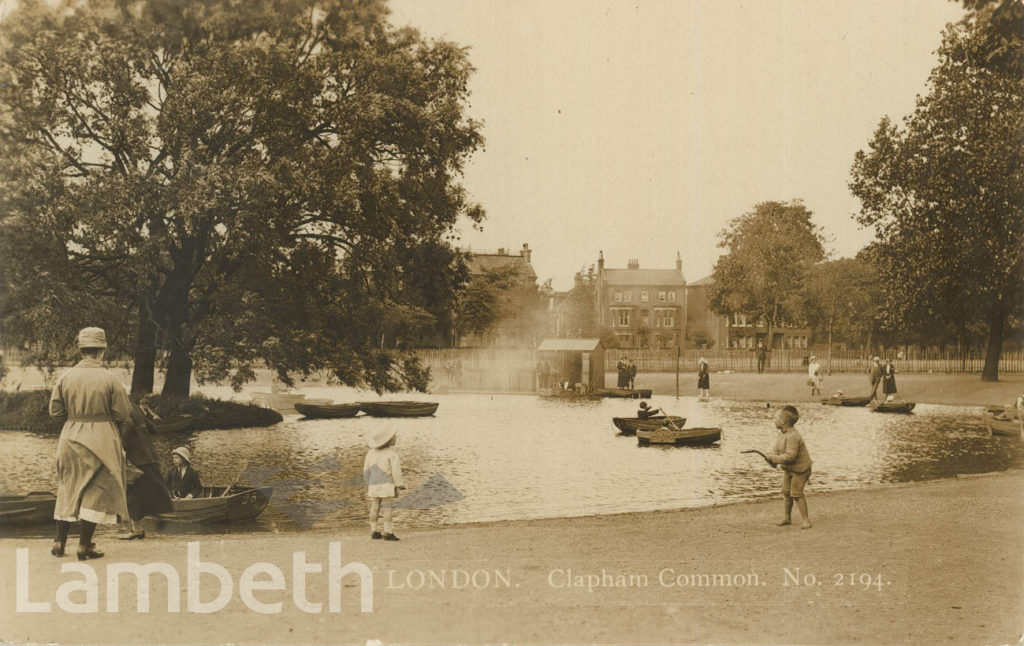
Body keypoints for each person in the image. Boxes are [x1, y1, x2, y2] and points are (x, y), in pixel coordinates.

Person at [48, 327, 133, 560]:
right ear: (102, 351)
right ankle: (85, 546)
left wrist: (75, 416)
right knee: (97, 490)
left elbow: (55, 412)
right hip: (101, 438)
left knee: (68, 486)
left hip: (70, 435)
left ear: (81, 350)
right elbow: (123, 413)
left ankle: (59, 542)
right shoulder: (109, 378)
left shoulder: (65, 377)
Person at [117, 399, 172, 539]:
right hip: (150, 456)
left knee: (132, 492)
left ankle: (138, 529)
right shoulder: (135, 407)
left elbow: (127, 425)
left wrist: (121, 446)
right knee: (149, 489)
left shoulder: (122, 408)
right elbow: (152, 428)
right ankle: (156, 516)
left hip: (137, 458)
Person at [765, 405, 812, 529]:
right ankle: (787, 517)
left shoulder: (793, 437)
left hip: (801, 470)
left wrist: (775, 459)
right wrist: (772, 457)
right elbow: (776, 451)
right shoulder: (781, 434)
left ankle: (806, 520)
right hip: (789, 469)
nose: (774, 420)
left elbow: (790, 456)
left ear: (784, 421)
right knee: (786, 493)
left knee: (796, 494)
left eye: (776, 417)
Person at [364, 427, 405, 541]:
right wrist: (398, 485)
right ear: (388, 440)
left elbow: (366, 470)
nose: (396, 437)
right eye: (394, 436)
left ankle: (374, 530)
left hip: (373, 484)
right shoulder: (392, 454)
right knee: (387, 509)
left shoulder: (370, 453)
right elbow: (396, 471)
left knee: (375, 507)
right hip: (387, 485)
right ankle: (388, 531)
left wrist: (368, 482)